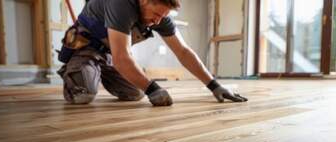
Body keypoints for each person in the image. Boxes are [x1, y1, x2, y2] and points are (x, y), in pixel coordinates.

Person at [58, 0, 248, 106]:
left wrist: (214, 86)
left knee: (136, 93)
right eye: (156, 15)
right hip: (85, 47)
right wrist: (154, 89)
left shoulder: (161, 15)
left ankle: (96, 71)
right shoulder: (120, 4)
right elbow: (122, 57)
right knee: (83, 95)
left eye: (163, 16)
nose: (158, 22)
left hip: (109, 54)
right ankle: (75, 71)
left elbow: (183, 52)